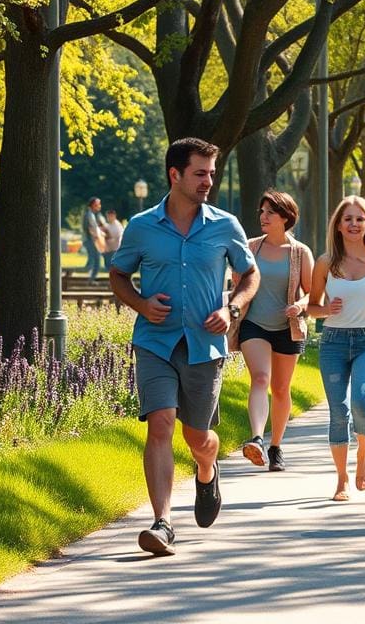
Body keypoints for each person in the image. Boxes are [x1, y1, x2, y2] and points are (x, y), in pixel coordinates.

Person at [109, 138, 259, 556]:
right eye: (200, 173)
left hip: (204, 346)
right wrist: (141, 303)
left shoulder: (225, 225)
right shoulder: (141, 226)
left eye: (212, 173)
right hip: (155, 342)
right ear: (175, 175)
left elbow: (250, 275)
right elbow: (118, 275)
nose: (209, 180)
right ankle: (162, 523)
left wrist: (232, 309)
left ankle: (207, 469)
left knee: (198, 437)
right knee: (160, 423)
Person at [306, 196, 365, 502]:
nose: (354, 224)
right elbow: (311, 306)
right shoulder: (325, 262)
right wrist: (326, 309)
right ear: (338, 225)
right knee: (338, 412)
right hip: (334, 342)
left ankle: (363, 455)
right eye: (348, 219)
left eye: (360, 219)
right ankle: (341, 479)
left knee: (361, 402)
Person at [233, 190, 314, 472]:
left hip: (287, 328)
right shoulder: (250, 247)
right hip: (253, 323)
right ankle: (256, 437)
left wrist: (300, 306)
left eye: (269, 212)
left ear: (285, 217)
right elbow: (239, 284)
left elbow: (312, 294)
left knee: (280, 388)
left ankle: (276, 446)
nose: (263, 217)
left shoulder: (300, 252)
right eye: (261, 211)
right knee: (261, 377)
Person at [81, 197, 107, 280]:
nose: (99, 206)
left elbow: (96, 228)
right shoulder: (89, 214)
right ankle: (90, 279)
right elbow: (90, 228)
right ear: (93, 205)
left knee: (95, 260)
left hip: (92, 240)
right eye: (98, 204)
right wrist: (99, 235)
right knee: (96, 260)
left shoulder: (93, 214)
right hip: (90, 240)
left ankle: (91, 279)